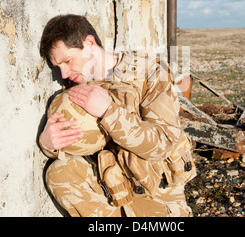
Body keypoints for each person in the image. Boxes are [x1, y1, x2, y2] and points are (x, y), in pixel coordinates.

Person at [38, 14, 196, 217]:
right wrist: (48, 144)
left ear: (89, 43)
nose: (64, 73)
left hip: (156, 192)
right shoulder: (76, 85)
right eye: (58, 68)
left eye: (67, 61)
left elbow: (162, 143)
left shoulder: (151, 73)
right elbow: (80, 143)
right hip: (114, 188)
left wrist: (108, 112)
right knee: (59, 172)